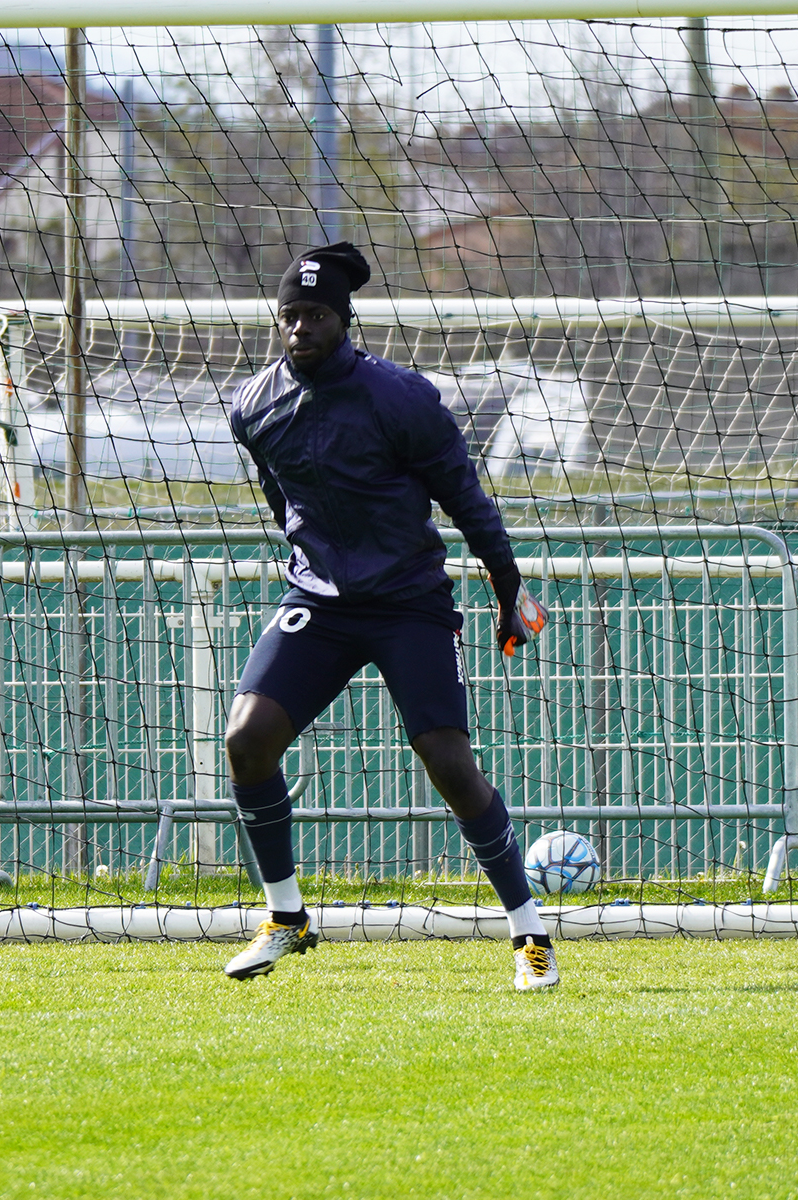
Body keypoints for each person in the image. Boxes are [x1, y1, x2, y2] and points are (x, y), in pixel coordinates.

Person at [223, 241, 557, 991]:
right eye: (290, 315)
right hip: (319, 602)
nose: (301, 328)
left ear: (345, 320)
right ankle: (285, 918)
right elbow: (283, 499)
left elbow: (467, 501)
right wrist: (311, 563)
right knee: (246, 739)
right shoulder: (253, 407)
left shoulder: (401, 398)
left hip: (408, 602)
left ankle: (529, 933)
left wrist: (507, 591)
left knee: (449, 764)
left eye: (316, 315)